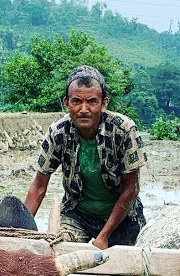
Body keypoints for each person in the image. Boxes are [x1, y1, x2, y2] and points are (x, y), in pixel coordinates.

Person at [25, 65, 147, 249]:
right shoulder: (58, 132)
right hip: (77, 214)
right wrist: (21, 231)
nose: (84, 109)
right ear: (66, 103)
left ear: (104, 103)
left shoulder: (123, 130)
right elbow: (39, 186)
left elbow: (132, 188)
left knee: (133, 270)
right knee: (54, 252)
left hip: (122, 218)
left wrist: (104, 235)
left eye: (92, 101)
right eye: (76, 101)